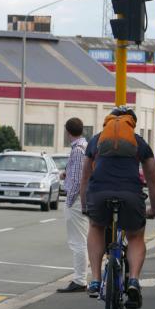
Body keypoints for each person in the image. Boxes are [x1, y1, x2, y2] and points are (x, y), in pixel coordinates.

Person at [80, 106, 155, 309]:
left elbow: (85, 178)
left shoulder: (96, 140)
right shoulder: (138, 142)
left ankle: (96, 280)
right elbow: (152, 180)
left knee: (96, 227)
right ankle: (133, 280)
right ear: (131, 123)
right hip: (130, 195)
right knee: (135, 236)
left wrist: (85, 206)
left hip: (99, 194)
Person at [57, 117, 89, 293]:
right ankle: (82, 278)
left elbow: (77, 180)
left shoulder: (77, 150)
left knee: (77, 241)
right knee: (82, 239)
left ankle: (79, 279)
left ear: (68, 132)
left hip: (76, 200)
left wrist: (69, 201)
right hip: (84, 199)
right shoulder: (85, 146)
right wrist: (65, 174)